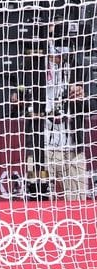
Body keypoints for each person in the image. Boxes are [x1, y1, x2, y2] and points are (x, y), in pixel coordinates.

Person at [43, 44, 90, 200]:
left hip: (73, 149)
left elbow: (93, 105)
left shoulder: (80, 70)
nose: (59, 54)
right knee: (39, 203)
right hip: (41, 150)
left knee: (78, 206)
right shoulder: (33, 68)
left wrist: (83, 96)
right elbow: (19, 97)